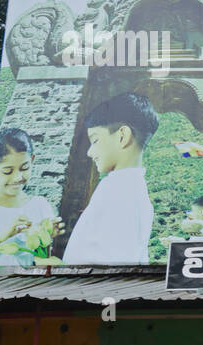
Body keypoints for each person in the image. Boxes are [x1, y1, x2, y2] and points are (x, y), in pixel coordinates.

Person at [62, 92, 158, 265]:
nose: (90, 152)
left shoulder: (119, 190)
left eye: (95, 140)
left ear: (122, 136)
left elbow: (114, 264)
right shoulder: (131, 188)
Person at [0, 128, 65, 267]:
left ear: (32, 160)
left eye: (24, 168)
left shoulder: (40, 205)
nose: (17, 178)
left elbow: (42, 257)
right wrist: (5, 235)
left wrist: (48, 236)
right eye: (7, 171)